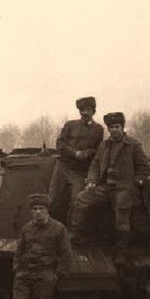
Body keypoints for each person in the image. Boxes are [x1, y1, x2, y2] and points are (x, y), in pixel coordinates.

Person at [69, 112, 150, 251]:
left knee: (121, 218)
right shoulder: (104, 146)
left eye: (117, 126)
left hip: (124, 188)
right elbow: (95, 165)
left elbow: (144, 168)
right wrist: (92, 180)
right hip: (105, 187)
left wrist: (135, 184)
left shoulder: (133, 145)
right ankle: (76, 235)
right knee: (82, 198)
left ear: (122, 127)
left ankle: (121, 251)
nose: (114, 130)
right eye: (111, 127)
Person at [12, 194, 72, 299]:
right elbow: (20, 249)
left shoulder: (58, 228)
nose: (38, 212)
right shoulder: (27, 228)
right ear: (31, 211)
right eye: (35, 209)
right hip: (24, 273)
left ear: (47, 210)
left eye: (41, 208)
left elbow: (66, 254)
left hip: (44, 274)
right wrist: (17, 268)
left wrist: (57, 274)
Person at [48, 96, 104, 224]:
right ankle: (50, 227)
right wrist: (74, 153)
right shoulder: (70, 125)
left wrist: (87, 153)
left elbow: (98, 150)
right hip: (63, 167)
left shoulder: (98, 129)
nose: (85, 113)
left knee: (76, 201)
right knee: (54, 199)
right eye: (82, 110)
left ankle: (71, 229)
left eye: (88, 110)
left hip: (80, 170)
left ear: (93, 111)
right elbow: (60, 144)